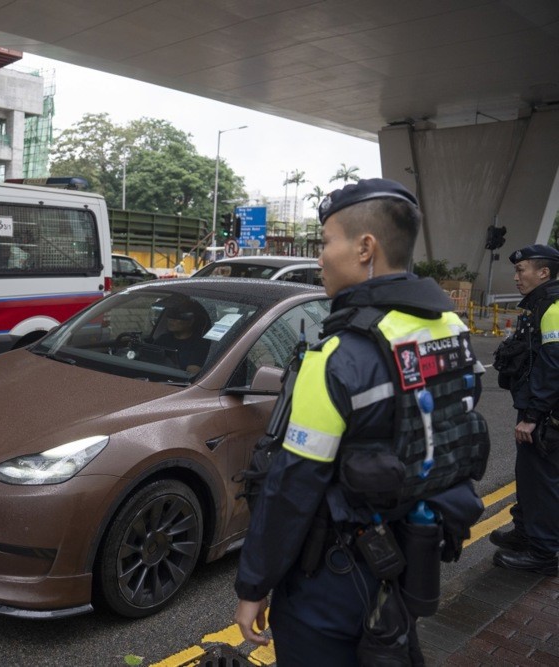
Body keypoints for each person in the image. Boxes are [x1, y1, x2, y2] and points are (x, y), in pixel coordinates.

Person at [233, 179, 488, 664]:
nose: (321, 256)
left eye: (327, 241)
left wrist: (254, 584)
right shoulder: (450, 330)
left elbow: (292, 487)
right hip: (412, 558)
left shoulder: (337, 357)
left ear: (365, 247)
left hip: (332, 579)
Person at [489, 243, 559, 575]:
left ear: (543, 273)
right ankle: (525, 532)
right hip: (538, 408)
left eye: (521, 270)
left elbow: (554, 365)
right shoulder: (539, 303)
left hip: (545, 414)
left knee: (542, 480)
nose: (516, 276)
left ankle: (543, 553)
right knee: (528, 476)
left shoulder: (553, 307)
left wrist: (532, 416)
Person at [154, 300, 210, 373]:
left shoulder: (200, 345)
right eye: (170, 316)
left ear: (190, 321)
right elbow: (149, 360)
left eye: (178, 317)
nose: (171, 320)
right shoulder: (163, 339)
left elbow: (192, 372)